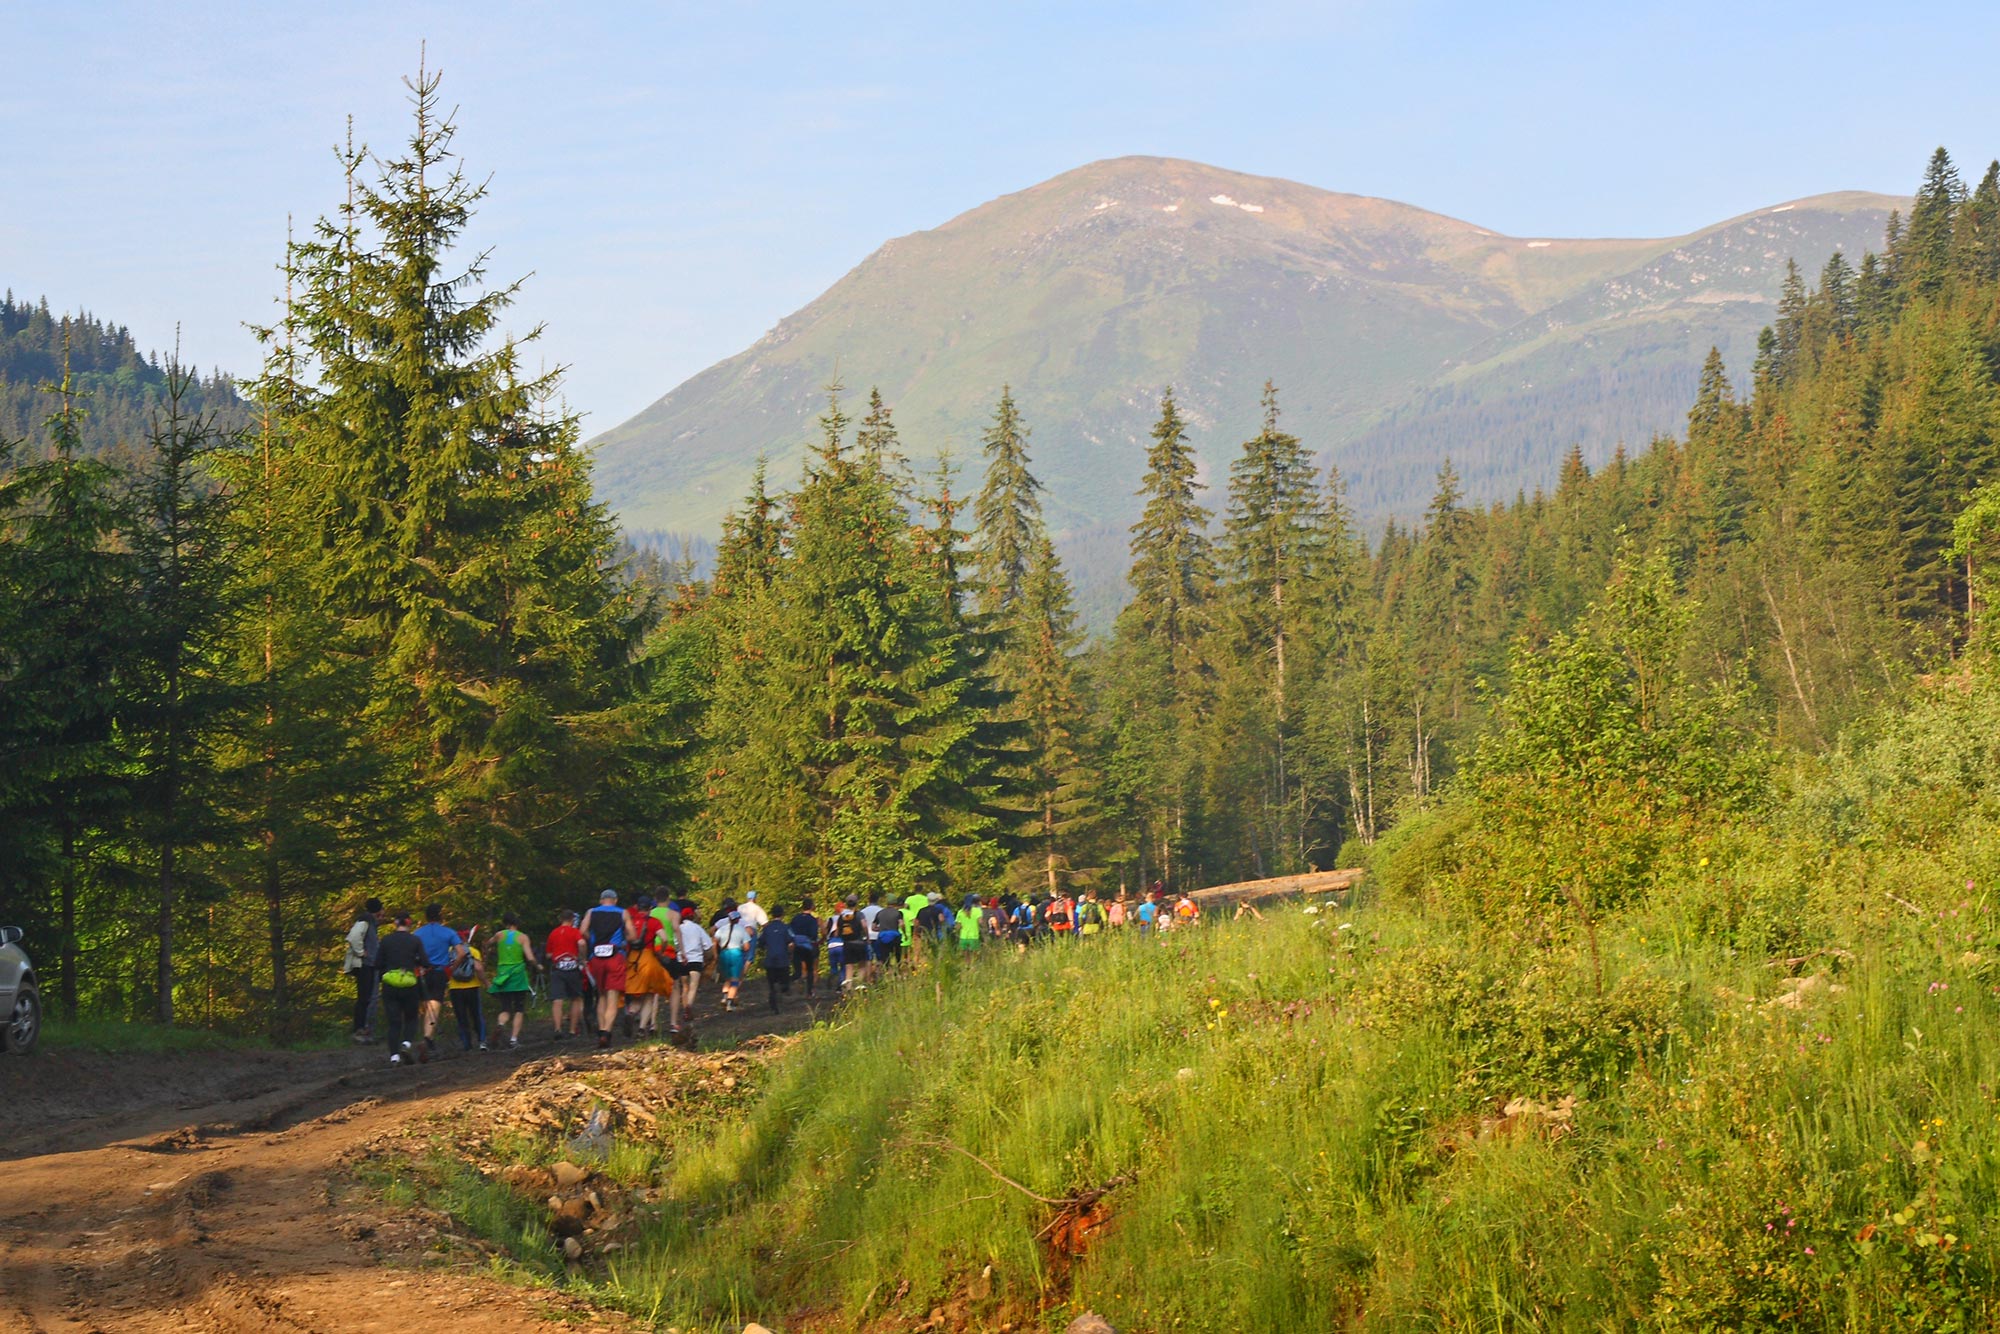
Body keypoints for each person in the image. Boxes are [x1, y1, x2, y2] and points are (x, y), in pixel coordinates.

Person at [374, 913, 427, 1065]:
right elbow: (425, 961)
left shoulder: (386, 940)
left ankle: (394, 1056)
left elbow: (378, 963)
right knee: (411, 1018)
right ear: (409, 924)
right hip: (409, 984)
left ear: (395, 924)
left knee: (394, 1022)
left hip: (390, 984)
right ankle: (407, 1043)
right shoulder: (415, 940)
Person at [583, 889, 633, 1050]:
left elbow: (582, 931)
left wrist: (592, 942)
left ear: (601, 900)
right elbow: (632, 934)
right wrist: (624, 942)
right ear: (615, 900)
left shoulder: (591, 912)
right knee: (613, 997)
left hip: (596, 957)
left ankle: (600, 1030)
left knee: (601, 996)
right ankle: (607, 1033)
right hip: (615, 956)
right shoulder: (623, 913)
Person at [412, 903, 461, 1058]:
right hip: (440, 971)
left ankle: (428, 1039)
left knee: (425, 1006)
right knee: (435, 1004)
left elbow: (412, 954)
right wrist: (451, 969)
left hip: (422, 972)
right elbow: (461, 953)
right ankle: (427, 1039)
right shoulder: (449, 933)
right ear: (440, 916)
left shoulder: (417, 933)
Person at [624, 895, 674, 1039]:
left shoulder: (630, 922)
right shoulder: (653, 922)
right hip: (648, 958)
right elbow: (664, 938)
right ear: (650, 908)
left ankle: (631, 1013)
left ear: (637, 907)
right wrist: (661, 951)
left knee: (636, 995)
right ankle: (641, 1029)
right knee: (649, 995)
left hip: (632, 960)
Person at [488, 915, 537, 1048]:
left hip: (503, 975)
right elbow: (530, 957)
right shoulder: (522, 937)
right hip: (518, 976)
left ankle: (500, 1025)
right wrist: (537, 965)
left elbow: (488, 943)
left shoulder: (499, 935)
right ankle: (513, 1039)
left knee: (505, 1008)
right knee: (519, 1009)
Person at [342, 897, 382, 1042]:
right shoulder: (365, 922)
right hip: (364, 965)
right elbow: (352, 937)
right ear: (378, 910)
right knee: (364, 998)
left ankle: (363, 1030)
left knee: (366, 998)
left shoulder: (368, 922)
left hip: (368, 965)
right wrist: (360, 952)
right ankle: (359, 1030)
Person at [545, 910, 587, 1040]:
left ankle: (557, 1028)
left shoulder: (553, 933)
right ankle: (572, 1030)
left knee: (557, 1000)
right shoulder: (575, 932)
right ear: (572, 919)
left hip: (558, 968)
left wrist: (557, 955)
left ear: (560, 919)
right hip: (573, 968)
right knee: (576, 998)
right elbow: (582, 943)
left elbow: (548, 954)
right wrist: (582, 957)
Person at [674, 902, 713, 1031]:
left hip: (682, 959)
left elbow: (675, 944)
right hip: (696, 959)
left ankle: (685, 1008)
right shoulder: (698, 928)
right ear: (692, 916)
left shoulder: (678, 928)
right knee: (693, 986)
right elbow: (708, 945)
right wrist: (709, 957)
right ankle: (689, 1007)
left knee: (684, 986)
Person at [446, 927, 487, 1051]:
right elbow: (479, 969)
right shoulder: (473, 951)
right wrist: (485, 982)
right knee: (476, 1015)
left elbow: (446, 969)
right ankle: (482, 1042)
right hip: (472, 987)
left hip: (455, 988)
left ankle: (466, 1044)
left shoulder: (449, 951)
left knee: (461, 1017)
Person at [713, 899, 753, 1011]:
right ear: (738, 919)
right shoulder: (741, 929)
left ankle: (725, 996)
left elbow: (714, 939)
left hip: (724, 954)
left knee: (727, 978)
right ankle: (730, 1003)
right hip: (736, 954)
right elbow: (747, 947)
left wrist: (716, 953)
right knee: (735, 979)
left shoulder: (722, 928)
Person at [759, 908, 794, 1011]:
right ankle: (783, 990)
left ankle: (773, 998)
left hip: (770, 960)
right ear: (782, 915)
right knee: (785, 982)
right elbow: (791, 943)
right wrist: (790, 954)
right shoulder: (786, 928)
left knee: (771, 983)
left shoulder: (766, 929)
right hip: (783, 959)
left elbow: (760, 943)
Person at [833, 897, 868, 989]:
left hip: (847, 943)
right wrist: (867, 936)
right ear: (856, 903)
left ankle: (848, 987)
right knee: (862, 964)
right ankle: (860, 985)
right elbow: (864, 925)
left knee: (849, 966)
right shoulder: (859, 914)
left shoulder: (842, 916)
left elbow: (837, 931)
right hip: (859, 942)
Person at [789, 898, 821, 997]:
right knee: (810, 969)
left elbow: (790, 931)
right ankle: (809, 992)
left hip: (797, 946)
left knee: (798, 970)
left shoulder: (795, 918)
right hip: (808, 947)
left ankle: (789, 984)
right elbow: (813, 935)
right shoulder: (812, 920)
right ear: (811, 906)